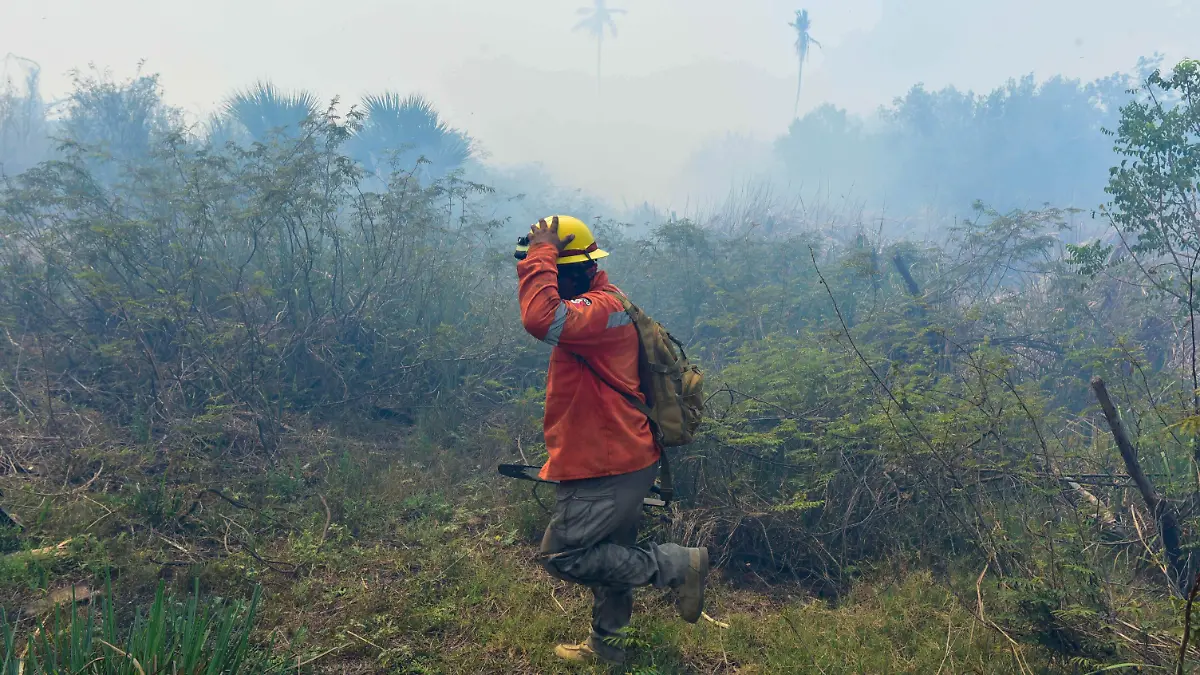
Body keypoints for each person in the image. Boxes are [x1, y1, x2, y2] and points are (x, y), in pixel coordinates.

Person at [515, 215, 710, 665]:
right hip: (622, 454)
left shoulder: (598, 310)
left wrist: (541, 252)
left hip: (608, 462)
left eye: (547, 268)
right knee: (611, 555)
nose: (539, 274)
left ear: (569, 269)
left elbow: (539, 318)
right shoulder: (603, 302)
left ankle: (679, 566)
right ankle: (608, 648)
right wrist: (542, 255)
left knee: (563, 554)